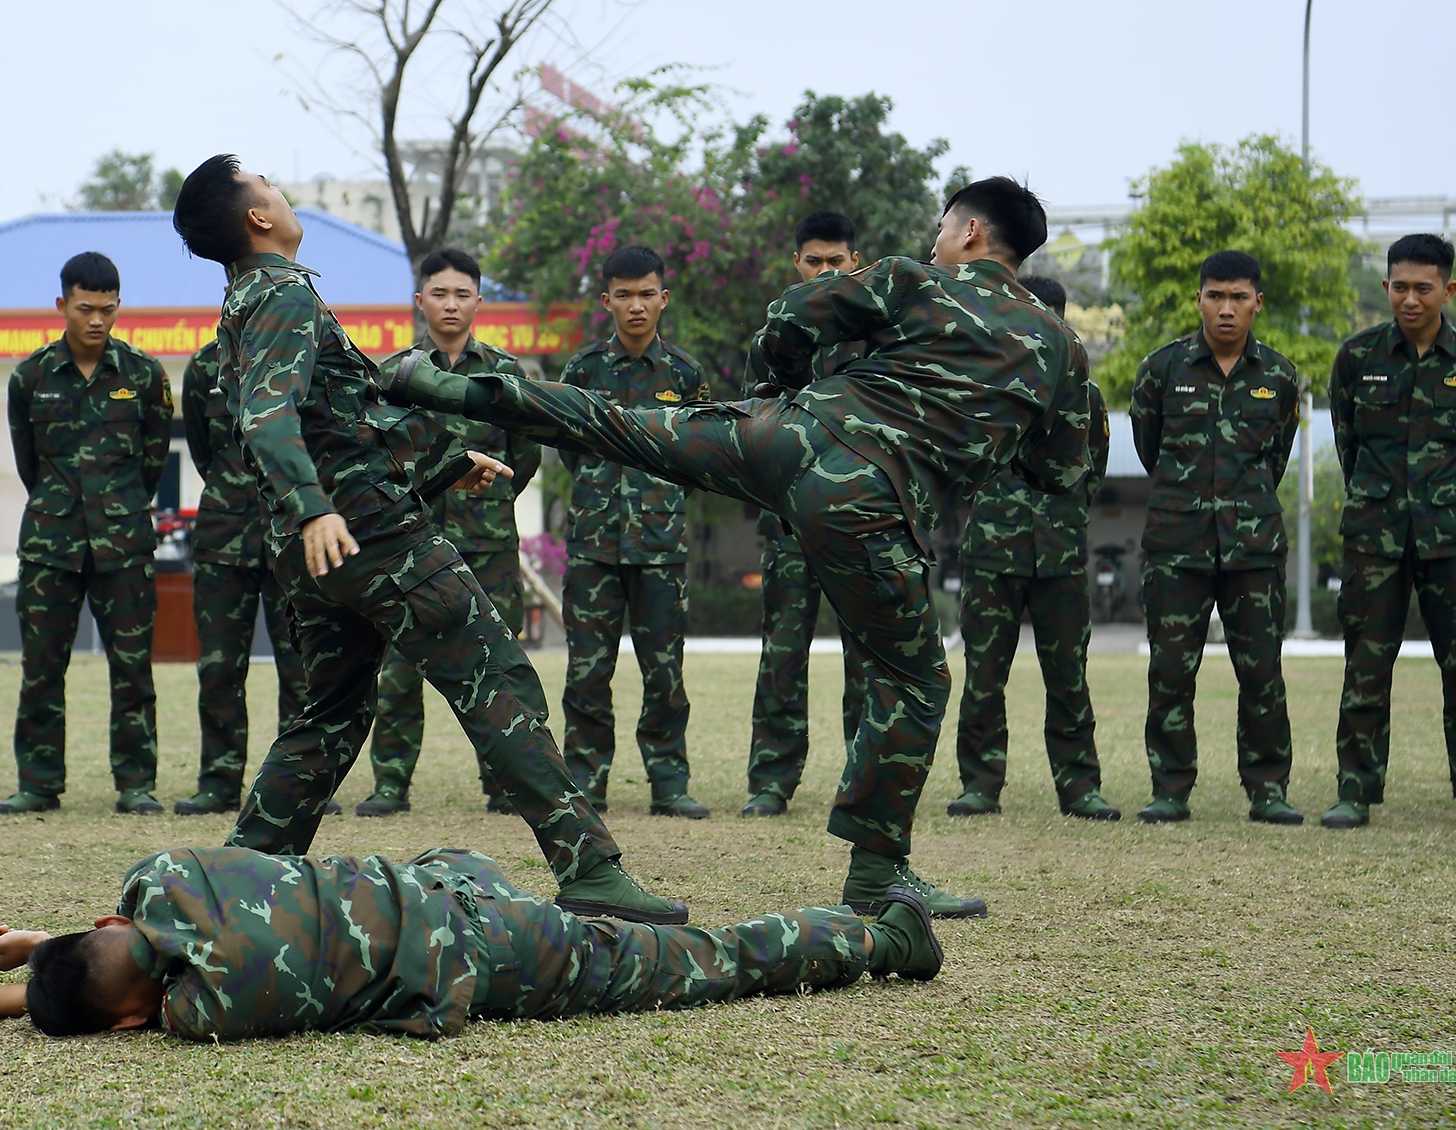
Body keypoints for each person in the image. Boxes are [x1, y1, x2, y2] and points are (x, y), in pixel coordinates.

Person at [389, 177, 1091, 918]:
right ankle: (878, 871)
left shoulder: (910, 281)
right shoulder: (1060, 348)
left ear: (972, 232)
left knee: (616, 425)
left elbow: (794, 312)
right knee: (917, 682)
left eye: (943, 228)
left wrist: (779, 387)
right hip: (869, 502)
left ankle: (442, 389)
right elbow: (1065, 468)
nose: (935, 241)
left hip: (782, 435)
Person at [169, 154, 687, 924]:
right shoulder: (280, 296)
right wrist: (316, 507)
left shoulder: (247, 301)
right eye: (268, 183)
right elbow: (267, 420)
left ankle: (243, 877)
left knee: (329, 715)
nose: (280, 188)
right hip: (363, 537)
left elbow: (338, 425)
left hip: (326, 548)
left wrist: (443, 468)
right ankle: (590, 867)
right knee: (496, 676)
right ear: (258, 217)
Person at [0, 846, 942, 1040]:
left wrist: (4, 997)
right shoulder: (160, 877)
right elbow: (122, 948)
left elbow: (136, 1000)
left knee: (707, 961)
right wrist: (32, 955)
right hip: (436, 885)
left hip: (490, 952)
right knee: (452, 857)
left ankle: (886, 940)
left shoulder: (211, 1012)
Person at [1323, 233, 1456, 830]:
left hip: (1453, 538)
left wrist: (1442, 498)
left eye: (1423, 288)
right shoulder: (1356, 358)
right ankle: (1354, 793)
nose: (1410, 299)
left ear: (1448, 289)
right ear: (1386, 288)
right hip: (1374, 538)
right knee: (1365, 667)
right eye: (1399, 287)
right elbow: (1348, 442)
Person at [360, 248, 543, 818]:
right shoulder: (393, 375)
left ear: (479, 302)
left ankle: (504, 784)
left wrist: (490, 501)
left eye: (462, 294)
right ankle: (390, 783)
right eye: (439, 293)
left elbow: (525, 456)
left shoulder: (505, 374)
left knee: (496, 662)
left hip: (487, 544)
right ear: (421, 301)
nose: (451, 304)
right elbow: (377, 457)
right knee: (397, 666)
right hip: (409, 543)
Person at [0, 252, 174, 816]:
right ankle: (39, 782)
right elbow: (30, 464)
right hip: (51, 544)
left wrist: (117, 508)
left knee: (132, 668)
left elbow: (152, 465)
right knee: (42, 666)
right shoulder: (30, 377)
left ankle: (135, 783)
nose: (96, 320)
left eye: (107, 309)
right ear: (62, 306)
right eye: (85, 308)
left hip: (123, 545)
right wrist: (61, 507)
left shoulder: (145, 376)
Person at [1130, 251, 1303, 826]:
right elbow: (1149, 450)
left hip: (1253, 550)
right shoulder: (1161, 369)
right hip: (1177, 546)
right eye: (1215, 296)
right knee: (1172, 671)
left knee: (1261, 671)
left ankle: (1268, 789)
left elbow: (1275, 457)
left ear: (1258, 303)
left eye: (1238, 297)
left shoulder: (1278, 375)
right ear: (1199, 298)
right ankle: (1170, 789)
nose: (1226, 309)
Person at [949, 275, 1119, 821]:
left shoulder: (1085, 396)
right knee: (983, 675)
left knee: (1068, 676)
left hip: (1060, 554)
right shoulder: (982, 388)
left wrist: (1061, 517)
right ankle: (979, 784)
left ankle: (1079, 787)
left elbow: (1092, 471)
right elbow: (961, 465)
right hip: (991, 553)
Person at [557, 245, 711, 819]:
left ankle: (669, 783)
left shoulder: (686, 375)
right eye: (624, 295)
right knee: (587, 672)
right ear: (606, 301)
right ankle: (585, 782)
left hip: (660, 550)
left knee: (665, 673)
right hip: (593, 547)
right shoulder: (582, 372)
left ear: (663, 298)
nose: (636, 305)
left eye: (647, 293)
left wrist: (659, 503)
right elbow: (570, 452)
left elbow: (697, 458)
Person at [741, 212, 866, 818]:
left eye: (835, 261)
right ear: (797, 265)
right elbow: (751, 431)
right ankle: (771, 780)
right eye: (813, 261)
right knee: (782, 656)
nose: (824, 271)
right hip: (789, 527)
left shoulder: (876, 340)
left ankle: (865, 783)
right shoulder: (770, 342)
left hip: (862, 527)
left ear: (855, 262)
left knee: (866, 659)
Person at [173, 338, 317, 817]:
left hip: (291, 535)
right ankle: (218, 781)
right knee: (219, 670)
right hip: (224, 538)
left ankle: (299, 783)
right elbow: (200, 449)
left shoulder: (300, 356)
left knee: (301, 669)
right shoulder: (203, 367)